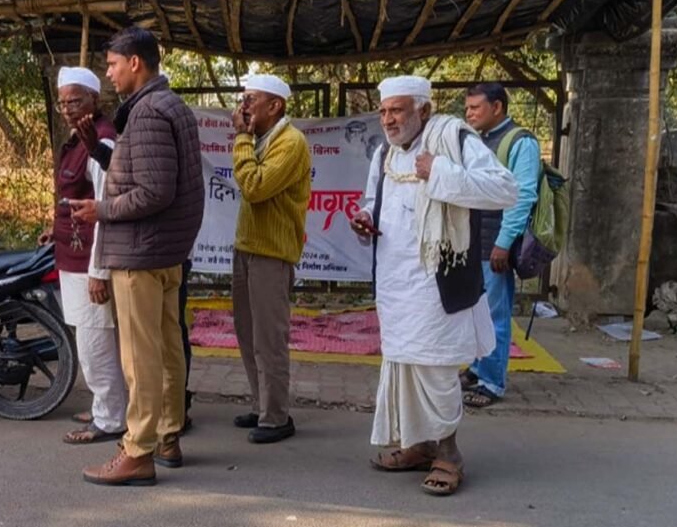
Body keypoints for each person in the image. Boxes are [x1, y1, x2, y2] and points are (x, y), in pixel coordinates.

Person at [349, 75, 515, 496]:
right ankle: (419, 446)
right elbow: (375, 200)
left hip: (437, 281)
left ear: (424, 110)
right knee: (403, 365)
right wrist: (366, 219)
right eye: (384, 111)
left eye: (398, 110)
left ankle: (449, 454)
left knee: (436, 368)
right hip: (395, 281)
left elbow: (504, 189)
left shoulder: (453, 139)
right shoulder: (384, 152)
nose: (388, 120)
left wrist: (439, 171)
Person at [71, 27, 204, 486]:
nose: (107, 73)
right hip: (163, 252)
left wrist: (101, 209)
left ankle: (137, 449)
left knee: (139, 356)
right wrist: (98, 152)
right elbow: (143, 173)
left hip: (142, 253)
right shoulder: (167, 106)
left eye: (111, 64)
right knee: (167, 348)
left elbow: (153, 191)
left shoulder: (147, 113)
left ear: (136, 64)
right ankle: (167, 435)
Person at [38, 66, 126, 444]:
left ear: (95, 100)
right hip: (72, 254)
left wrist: (98, 271)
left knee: (94, 342)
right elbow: (73, 199)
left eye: (76, 101)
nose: (69, 109)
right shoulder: (80, 138)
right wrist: (54, 227)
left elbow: (105, 209)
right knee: (93, 337)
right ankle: (107, 405)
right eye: (63, 103)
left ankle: (109, 420)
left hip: (89, 259)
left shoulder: (101, 141)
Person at [229, 74, 311, 444]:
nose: (244, 106)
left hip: (271, 256)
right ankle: (262, 404)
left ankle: (277, 416)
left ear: (275, 105)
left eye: (251, 99)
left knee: (269, 339)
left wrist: (242, 139)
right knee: (248, 334)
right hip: (247, 250)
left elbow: (255, 187)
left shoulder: (291, 142)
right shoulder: (264, 138)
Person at [462, 83, 541, 408]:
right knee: (475, 312)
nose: (469, 114)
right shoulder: (480, 141)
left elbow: (522, 196)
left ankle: (492, 382)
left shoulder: (521, 142)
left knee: (495, 313)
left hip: (496, 243)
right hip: (475, 241)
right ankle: (479, 368)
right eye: (467, 109)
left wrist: (504, 243)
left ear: (497, 107)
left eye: (475, 108)